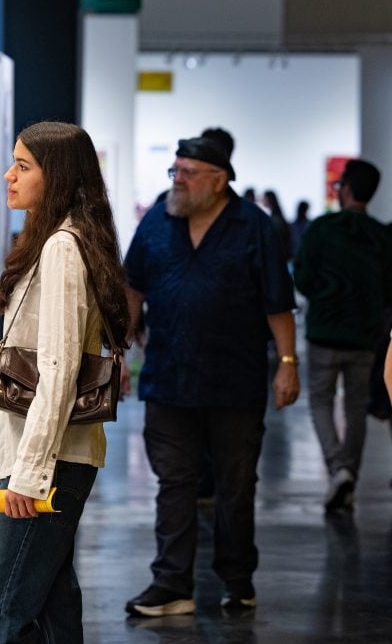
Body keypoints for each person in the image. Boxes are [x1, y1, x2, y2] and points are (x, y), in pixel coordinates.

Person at [123, 128, 299, 617]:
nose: (177, 180)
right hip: (168, 377)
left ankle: (238, 580)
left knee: (235, 486)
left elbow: (277, 304)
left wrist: (287, 364)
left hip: (235, 382)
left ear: (218, 180)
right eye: (174, 170)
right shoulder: (158, 220)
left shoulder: (253, 226)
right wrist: (118, 348)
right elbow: (132, 286)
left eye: (187, 173)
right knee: (174, 483)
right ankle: (171, 583)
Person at [0, 122, 128, 644]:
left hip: (49, 461)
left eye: (23, 166)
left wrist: (29, 475)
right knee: (55, 604)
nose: (8, 176)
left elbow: (58, 370)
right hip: (53, 454)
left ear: (55, 175)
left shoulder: (62, 245)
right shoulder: (59, 236)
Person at [292, 159, 392, 511]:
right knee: (355, 408)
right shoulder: (381, 236)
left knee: (320, 402)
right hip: (365, 337)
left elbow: (301, 277)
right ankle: (348, 473)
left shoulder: (321, 230)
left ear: (345, 188)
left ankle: (338, 468)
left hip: (323, 332)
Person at [262, 190, 293, 262]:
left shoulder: (275, 220)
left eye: (264, 198)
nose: (262, 200)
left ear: (269, 199)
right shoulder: (276, 217)